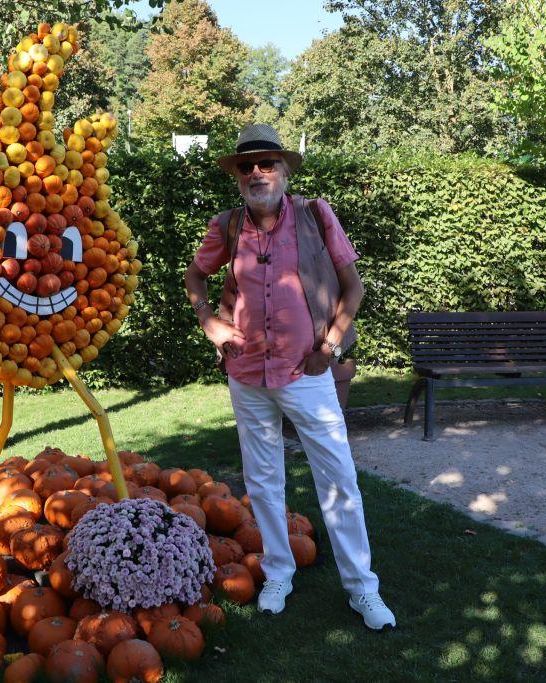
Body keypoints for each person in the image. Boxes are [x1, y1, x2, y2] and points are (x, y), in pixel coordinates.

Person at [183, 124, 396, 630]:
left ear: (282, 170)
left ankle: (362, 588)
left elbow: (354, 288)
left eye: (267, 163)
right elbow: (196, 277)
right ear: (237, 175)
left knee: (339, 479)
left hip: (308, 371)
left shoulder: (315, 214)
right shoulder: (226, 226)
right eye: (247, 166)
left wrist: (331, 344)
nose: (257, 173)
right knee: (262, 479)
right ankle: (279, 571)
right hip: (246, 374)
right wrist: (208, 320)